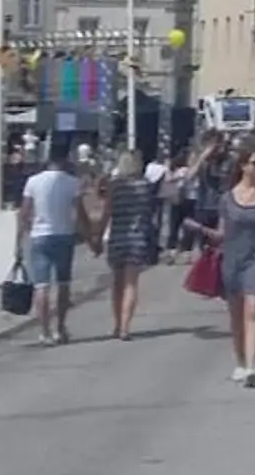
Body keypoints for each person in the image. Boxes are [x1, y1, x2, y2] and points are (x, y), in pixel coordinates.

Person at [185, 148, 255, 386]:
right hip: (231, 261)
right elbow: (222, 234)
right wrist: (199, 230)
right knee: (236, 315)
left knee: (253, 312)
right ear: (243, 166)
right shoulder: (227, 199)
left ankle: (251, 366)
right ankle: (241, 362)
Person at [17, 140, 86, 346]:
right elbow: (79, 212)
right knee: (63, 284)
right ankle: (60, 327)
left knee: (42, 286)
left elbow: (24, 212)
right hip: (64, 235)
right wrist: (90, 235)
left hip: (40, 236)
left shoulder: (33, 181)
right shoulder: (72, 182)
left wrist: (20, 238)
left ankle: (44, 331)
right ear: (65, 159)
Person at [102, 149, 157, 341]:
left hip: (117, 236)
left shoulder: (114, 187)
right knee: (131, 284)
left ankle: (117, 324)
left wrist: (97, 236)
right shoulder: (145, 186)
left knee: (116, 284)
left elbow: (106, 212)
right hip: (138, 237)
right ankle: (126, 327)